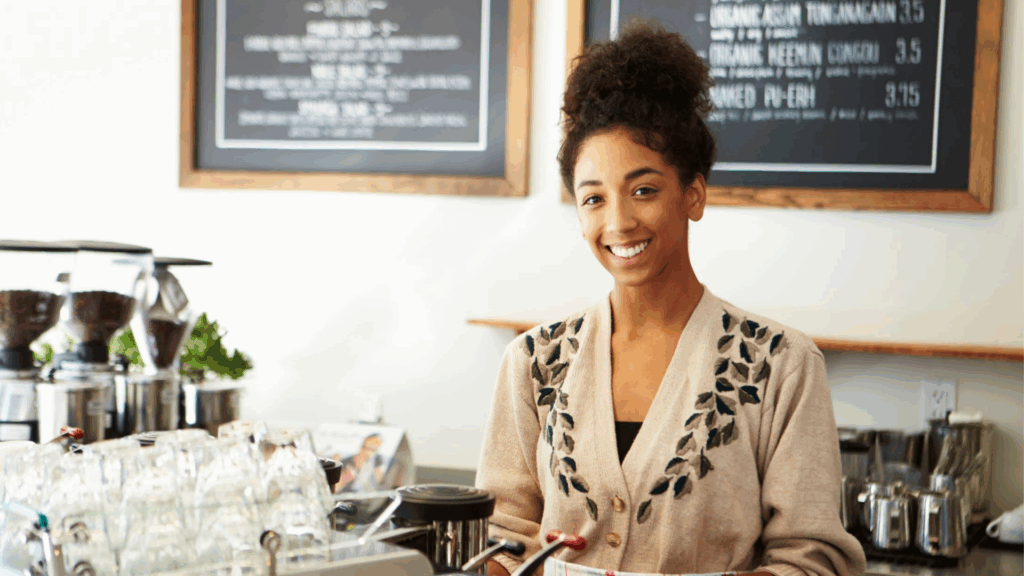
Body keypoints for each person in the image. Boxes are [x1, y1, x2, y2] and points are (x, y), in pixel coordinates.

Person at [475, 22, 867, 576]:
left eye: (643, 190)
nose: (618, 222)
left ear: (693, 194)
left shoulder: (781, 366)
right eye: (593, 199)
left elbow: (813, 561)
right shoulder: (534, 363)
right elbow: (501, 536)